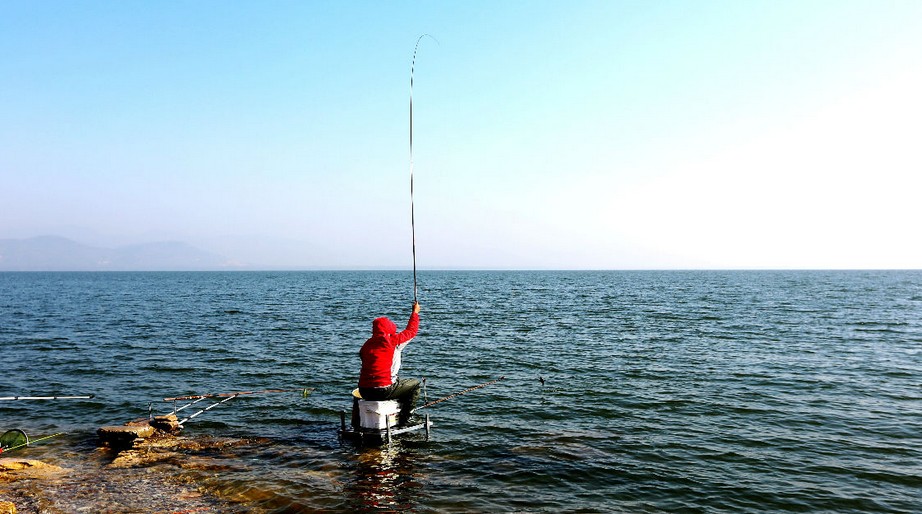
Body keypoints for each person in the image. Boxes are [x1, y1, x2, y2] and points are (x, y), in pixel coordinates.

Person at [358, 302, 421, 426]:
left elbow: (363, 358)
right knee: (414, 385)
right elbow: (411, 331)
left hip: (364, 390)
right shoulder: (393, 342)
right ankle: (407, 418)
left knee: (397, 384)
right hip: (383, 389)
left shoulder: (367, 345)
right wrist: (415, 313)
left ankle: (360, 421)